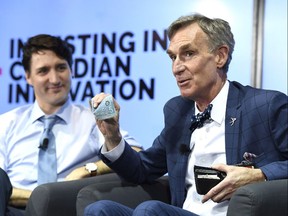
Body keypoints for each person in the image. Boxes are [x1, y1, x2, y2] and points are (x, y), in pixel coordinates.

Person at [83, 13, 288, 216]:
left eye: (188, 54)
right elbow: (142, 169)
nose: (176, 68)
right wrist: (112, 135)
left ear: (220, 56)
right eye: (173, 57)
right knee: (99, 210)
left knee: (150, 210)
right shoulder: (177, 111)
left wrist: (259, 175)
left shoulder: (265, 106)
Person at [0, 34, 142, 215]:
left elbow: (136, 153)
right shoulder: (6, 124)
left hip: (64, 208)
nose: (54, 79)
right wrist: (40, 197)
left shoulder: (90, 120)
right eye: (43, 71)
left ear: (71, 70)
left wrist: (88, 169)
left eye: (61, 68)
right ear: (28, 77)